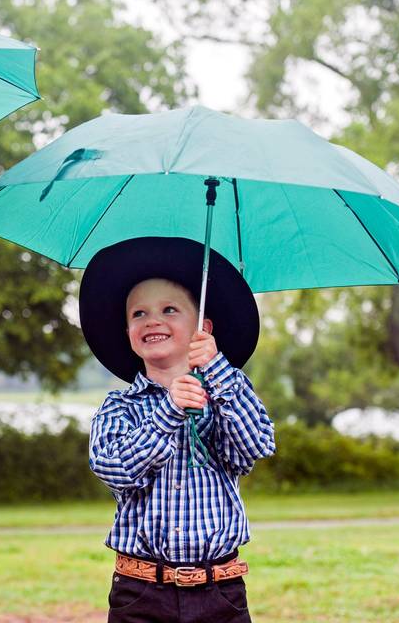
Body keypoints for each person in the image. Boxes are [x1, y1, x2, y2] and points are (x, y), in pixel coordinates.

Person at [81, 236, 276, 623]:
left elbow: (256, 446)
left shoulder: (228, 393)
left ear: (202, 327)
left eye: (169, 309)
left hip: (220, 590)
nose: (153, 320)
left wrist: (217, 369)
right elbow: (114, 470)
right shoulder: (119, 407)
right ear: (128, 332)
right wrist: (168, 410)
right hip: (140, 592)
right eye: (138, 314)